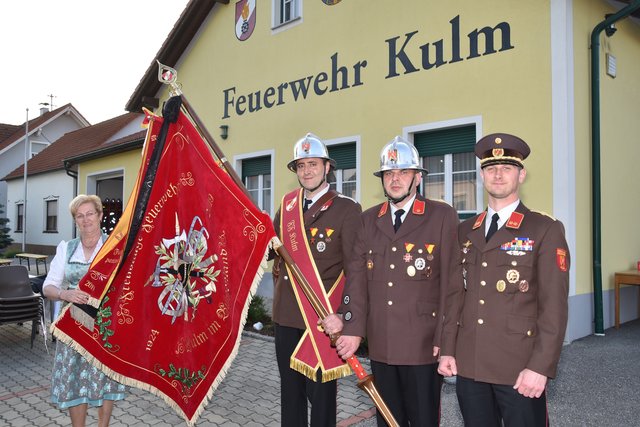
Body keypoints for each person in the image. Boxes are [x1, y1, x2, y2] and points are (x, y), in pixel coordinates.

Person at [323, 136, 462, 426]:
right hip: (383, 343)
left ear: (417, 178)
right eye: (389, 173)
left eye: (403, 173)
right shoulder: (369, 219)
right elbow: (358, 279)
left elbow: (452, 284)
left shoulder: (441, 216)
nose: (395, 179)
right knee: (387, 420)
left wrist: (445, 340)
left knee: (423, 419)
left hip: (423, 345)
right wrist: (353, 328)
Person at [438, 133, 570, 427]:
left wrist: (540, 367)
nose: (498, 174)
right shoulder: (465, 230)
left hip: (519, 367)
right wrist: (448, 348)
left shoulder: (544, 229)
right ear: (481, 175)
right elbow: (455, 295)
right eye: (490, 168)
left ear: (521, 174)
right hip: (470, 366)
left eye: (507, 168)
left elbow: (554, 308)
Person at [272, 133, 362, 426]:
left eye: (313, 164)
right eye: (301, 165)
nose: (307, 171)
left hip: (322, 318)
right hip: (286, 314)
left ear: (327, 167)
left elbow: (356, 272)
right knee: (290, 394)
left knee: (322, 398)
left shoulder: (347, 209)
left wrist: (345, 316)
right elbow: (269, 248)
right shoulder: (286, 206)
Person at [42, 194, 126, 427]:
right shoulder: (66, 248)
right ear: (75, 220)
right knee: (74, 380)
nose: (85, 219)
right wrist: (64, 294)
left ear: (100, 216)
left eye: (90, 213)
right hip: (73, 327)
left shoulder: (114, 247)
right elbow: (48, 286)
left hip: (104, 324)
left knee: (104, 378)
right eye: (80, 216)